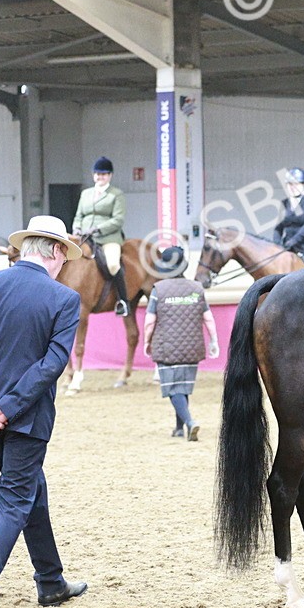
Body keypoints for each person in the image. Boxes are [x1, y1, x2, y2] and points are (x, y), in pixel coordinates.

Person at [0, 215, 88, 608]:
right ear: (57, 251)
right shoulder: (64, 299)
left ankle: (51, 581)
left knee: (30, 490)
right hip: (26, 417)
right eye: (65, 256)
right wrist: (7, 407)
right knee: (15, 499)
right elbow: (52, 365)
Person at [143, 246, 219, 441]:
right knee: (183, 387)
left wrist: (147, 341)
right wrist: (213, 340)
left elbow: (150, 321)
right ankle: (179, 428)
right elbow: (208, 317)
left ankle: (190, 422)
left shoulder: (158, 290)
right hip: (192, 347)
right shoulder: (197, 288)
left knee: (173, 388)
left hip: (166, 347)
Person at [73, 156, 130, 315]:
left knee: (113, 265)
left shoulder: (116, 194)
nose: (100, 177)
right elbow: (78, 215)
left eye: (104, 174)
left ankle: (122, 301)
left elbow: (118, 220)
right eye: (97, 174)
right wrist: (76, 228)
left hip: (108, 238)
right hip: (84, 237)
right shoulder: (86, 193)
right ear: (93, 175)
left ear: (110, 176)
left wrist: (97, 228)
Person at [274, 167, 304, 264]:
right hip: (288, 248)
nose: (293, 187)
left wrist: (293, 241)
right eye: (290, 184)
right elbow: (278, 227)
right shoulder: (284, 204)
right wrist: (277, 245)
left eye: (296, 184)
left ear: (303, 184)